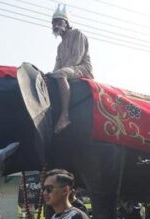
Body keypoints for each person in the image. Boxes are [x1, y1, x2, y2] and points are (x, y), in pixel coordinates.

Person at [50, 3, 94, 134]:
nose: (55, 25)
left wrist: (58, 72)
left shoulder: (77, 34)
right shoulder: (60, 46)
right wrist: (50, 75)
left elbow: (77, 57)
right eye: (53, 23)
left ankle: (64, 116)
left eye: (58, 22)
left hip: (82, 68)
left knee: (60, 74)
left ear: (66, 23)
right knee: (51, 77)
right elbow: (57, 66)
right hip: (67, 70)